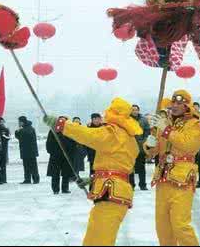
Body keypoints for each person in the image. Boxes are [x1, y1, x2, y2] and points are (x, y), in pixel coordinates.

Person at [44, 97, 142, 246]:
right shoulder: (129, 138)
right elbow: (117, 166)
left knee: (98, 241)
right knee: (95, 239)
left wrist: (61, 124)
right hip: (113, 191)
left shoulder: (113, 133)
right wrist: (94, 179)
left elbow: (87, 135)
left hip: (111, 193)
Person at [144, 90, 200, 246]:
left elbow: (189, 145)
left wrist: (166, 129)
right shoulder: (165, 123)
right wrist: (149, 143)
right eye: (173, 102)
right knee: (162, 226)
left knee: (180, 225)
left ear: (187, 106)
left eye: (180, 103)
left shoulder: (195, 124)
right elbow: (152, 153)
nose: (175, 106)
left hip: (182, 178)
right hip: (163, 177)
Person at [46, 116, 75, 194]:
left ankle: (65, 188)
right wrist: (52, 152)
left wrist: (70, 151)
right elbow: (49, 143)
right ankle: (55, 189)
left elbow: (73, 143)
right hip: (55, 155)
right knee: (55, 173)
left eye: (64, 121)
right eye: (61, 120)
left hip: (66, 155)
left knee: (66, 173)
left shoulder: (70, 131)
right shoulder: (53, 130)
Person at [129, 104, 151, 191]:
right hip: (130, 147)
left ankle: (143, 184)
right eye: (133, 110)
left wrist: (144, 141)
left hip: (141, 146)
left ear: (138, 110)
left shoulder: (143, 119)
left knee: (141, 167)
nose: (134, 111)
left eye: (136, 110)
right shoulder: (127, 119)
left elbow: (147, 131)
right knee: (130, 167)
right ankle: (131, 185)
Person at [15, 116, 40, 184]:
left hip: (31, 151)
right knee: (26, 166)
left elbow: (26, 135)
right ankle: (27, 179)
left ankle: (36, 179)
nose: (19, 123)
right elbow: (19, 137)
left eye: (19, 122)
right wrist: (17, 131)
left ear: (22, 122)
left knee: (33, 166)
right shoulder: (23, 128)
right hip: (25, 150)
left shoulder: (30, 128)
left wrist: (19, 131)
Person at [85, 113, 103, 179]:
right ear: (92, 120)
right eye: (94, 119)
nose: (96, 120)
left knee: (102, 171)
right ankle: (92, 186)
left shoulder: (103, 127)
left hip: (102, 153)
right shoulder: (88, 128)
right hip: (92, 153)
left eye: (98, 119)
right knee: (93, 171)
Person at [0, 118, 10, 184]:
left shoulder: (6, 129)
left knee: (3, 164)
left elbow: (8, 138)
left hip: (3, 149)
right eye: (1, 122)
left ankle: (3, 179)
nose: (2, 123)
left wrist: (5, 136)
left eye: (3, 122)